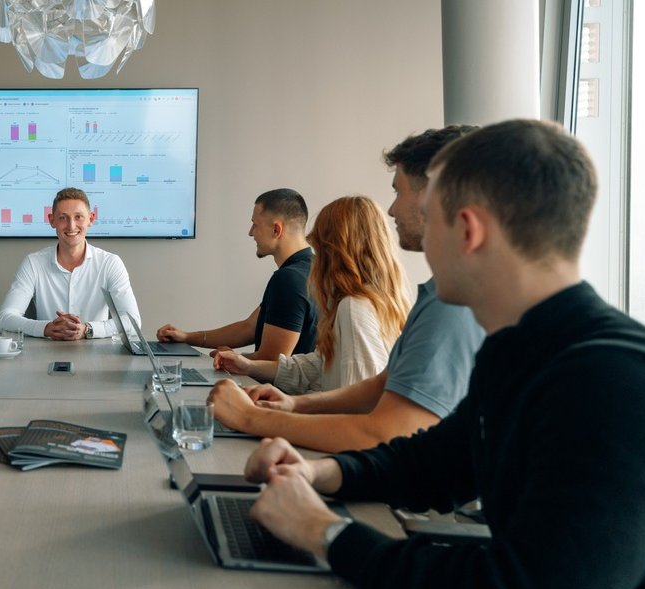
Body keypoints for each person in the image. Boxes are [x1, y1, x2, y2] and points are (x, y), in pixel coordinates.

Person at [241, 119, 645, 589]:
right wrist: (320, 476)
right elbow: (437, 461)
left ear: (467, 230)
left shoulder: (612, 384)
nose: (399, 228)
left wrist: (324, 532)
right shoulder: (519, 348)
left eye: (427, 217)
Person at [208, 126, 485, 452]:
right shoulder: (431, 295)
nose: (392, 209)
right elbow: (368, 383)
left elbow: (374, 425)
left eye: (398, 191)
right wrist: (289, 402)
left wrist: (252, 418)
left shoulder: (435, 305)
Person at [214, 196, 411, 395]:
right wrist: (248, 365)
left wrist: (282, 410)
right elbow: (317, 368)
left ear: (334, 251)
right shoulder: (375, 300)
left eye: (320, 247)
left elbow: (353, 404)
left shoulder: (354, 307)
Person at [156, 189, 317, 360]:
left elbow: (272, 361)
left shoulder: (288, 279)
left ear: (276, 230)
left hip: (279, 387)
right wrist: (188, 337)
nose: (250, 232)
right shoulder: (313, 269)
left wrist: (232, 357)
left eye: (255, 224)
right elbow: (249, 328)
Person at [0, 187, 140, 340]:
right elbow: (4, 318)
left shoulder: (110, 263)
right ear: (52, 221)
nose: (71, 226)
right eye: (63, 218)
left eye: (78, 217)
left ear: (91, 219)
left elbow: (132, 321)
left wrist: (88, 329)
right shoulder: (33, 263)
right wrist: (46, 328)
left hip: (99, 355)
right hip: (45, 355)